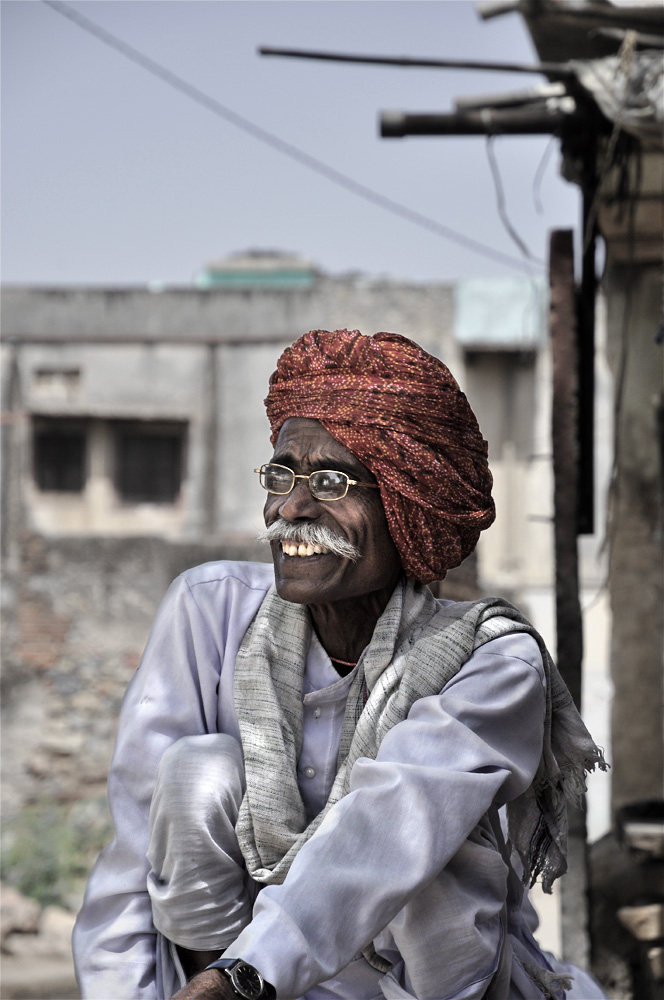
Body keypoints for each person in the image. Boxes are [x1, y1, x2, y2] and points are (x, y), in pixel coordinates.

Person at [73, 329, 607, 1000]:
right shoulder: (209, 611)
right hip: (228, 974)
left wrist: (244, 979)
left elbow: (388, 833)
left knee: (428, 841)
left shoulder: (493, 660)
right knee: (196, 773)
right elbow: (132, 858)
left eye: (332, 482)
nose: (291, 508)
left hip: (418, 984)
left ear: (404, 505)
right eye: (281, 476)